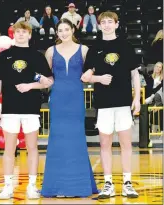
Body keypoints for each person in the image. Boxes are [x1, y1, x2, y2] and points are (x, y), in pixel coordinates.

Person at [81, 11, 140, 199]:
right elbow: (85, 76)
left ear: (116, 24)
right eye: (103, 22)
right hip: (104, 104)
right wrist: (99, 78)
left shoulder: (126, 46)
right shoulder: (94, 47)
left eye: (110, 22)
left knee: (126, 144)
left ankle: (127, 183)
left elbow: (135, 75)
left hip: (123, 104)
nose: (106, 25)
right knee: (105, 144)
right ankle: (108, 184)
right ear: (99, 26)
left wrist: (137, 98)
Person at [0, 21, 53, 200]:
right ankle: (8, 186)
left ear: (29, 35)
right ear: (13, 34)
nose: (20, 34)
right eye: (17, 32)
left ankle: (32, 186)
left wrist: (30, 86)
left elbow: (49, 81)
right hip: (10, 109)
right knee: (9, 149)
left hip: (31, 109)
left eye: (23, 32)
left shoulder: (37, 56)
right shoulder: (4, 56)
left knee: (32, 148)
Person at [41, 18, 98, 197]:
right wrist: (35, 80)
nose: (63, 33)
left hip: (75, 98)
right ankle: (56, 186)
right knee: (57, 140)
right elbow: (46, 77)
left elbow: (91, 70)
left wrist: (93, 72)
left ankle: (78, 186)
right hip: (57, 98)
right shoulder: (50, 51)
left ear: (73, 30)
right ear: (56, 33)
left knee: (76, 139)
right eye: (60, 30)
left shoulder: (84, 50)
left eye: (66, 29)